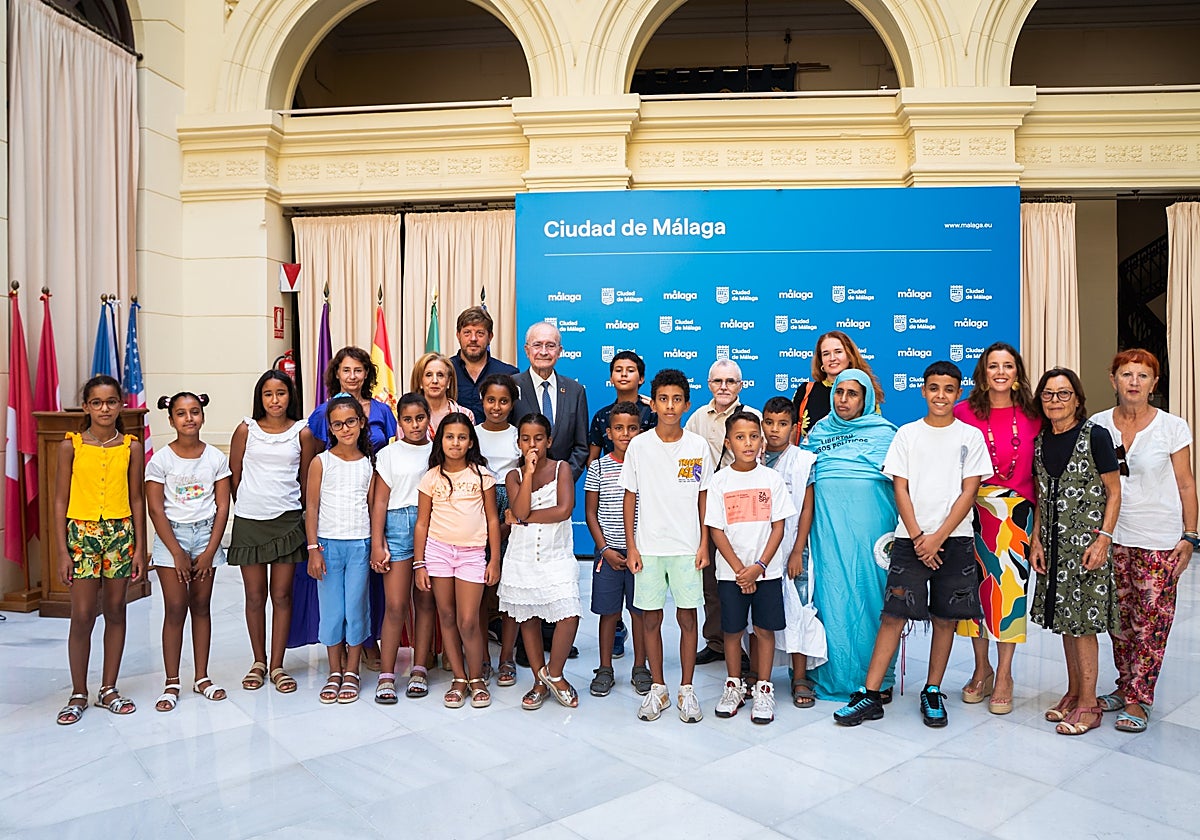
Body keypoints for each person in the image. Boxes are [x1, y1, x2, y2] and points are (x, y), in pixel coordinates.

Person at [834, 361, 991, 728]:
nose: (940, 395)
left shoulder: (970, 437)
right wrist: (920, 536)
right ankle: (870, 694)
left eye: (948, 389)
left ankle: (932, 689)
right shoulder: (907, 434)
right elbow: (899, 486)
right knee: (893, 615)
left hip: (955, 539)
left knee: (946, 619)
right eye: (933, 388)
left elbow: (970, 491)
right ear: (923, 391)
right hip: (910, 540)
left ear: (959, 393)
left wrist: (938, 537)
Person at [1091, 349, 1192, 733]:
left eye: (1143, 375)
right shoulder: (1098, 426)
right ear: (1113, 379)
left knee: (1152, 622)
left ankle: (1139, 698)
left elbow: (1186, 483)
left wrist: (1191, 534)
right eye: (1127, 374)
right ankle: (1123, 685)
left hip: (1159, 538)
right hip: (1113, 536)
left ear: (1154, 382)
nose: (1134, 381)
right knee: (1119, 621)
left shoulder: (1172, 427)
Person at [1031, 368, 1121, 736]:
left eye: (1063, 394)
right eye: (1049, 395)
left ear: (1078, 400)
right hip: (1053, 549)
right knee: (1066, 623)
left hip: (1087, 549)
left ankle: (1089, 704)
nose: (1055, 401)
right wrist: (1036, 540)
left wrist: (1104, 539)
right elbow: (1040, 497)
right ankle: (1073, 692)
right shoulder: (1040, 441)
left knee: (1083, 626)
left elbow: (1114, 492)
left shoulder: (1095, 436)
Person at [799, 370, 898, 703]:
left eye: (852, 394)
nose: (843, 399)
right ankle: (831, 675)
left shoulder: (885, 434)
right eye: (839, 392)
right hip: (827, 533)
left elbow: (902, 484)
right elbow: (801, 478)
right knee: (831, 600)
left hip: (872, 534)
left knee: (871, 599)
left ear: (866, 398)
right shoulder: (819, 432)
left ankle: (876, 679)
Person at [953, 343, 1041, 715]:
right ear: (983, 372)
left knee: (1008, 597)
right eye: (993, 366)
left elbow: (1044, 475)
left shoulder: (1036, 415)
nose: (1000, 372)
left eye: (1008, 365)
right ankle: (981, 668)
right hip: (969, 512)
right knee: (972, 595)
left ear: (1017, 373)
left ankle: (1004, 674)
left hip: (1016, 516)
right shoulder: (961, 412)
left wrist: (1038, 531)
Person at [621, 368, 713, 723]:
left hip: (688, 547)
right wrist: (631, 546)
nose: (670, 406)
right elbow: (630, 496)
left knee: (688, 617)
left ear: (687, 404)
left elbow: (704, 497)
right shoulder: (640, 446)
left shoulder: (697, 446)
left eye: (677, 400)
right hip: (648, 547)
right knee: (650, 618)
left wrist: (704, 542)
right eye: (663, 399)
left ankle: (686, 689)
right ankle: (658, 687)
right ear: (653, 403)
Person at [294, 346, 397, 660]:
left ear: (367, 373)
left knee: (368, 585)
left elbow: (393, 451)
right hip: (333, 514)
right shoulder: (323, 413)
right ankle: (344, 651)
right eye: (346, 370)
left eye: (358, 370)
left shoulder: (381, 410)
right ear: (336, 374)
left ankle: (368, 639)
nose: (352, 376)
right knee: (336, 594)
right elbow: (310, 454)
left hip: (372, 502)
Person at [54, 375, 146, 724]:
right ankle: (79, 691)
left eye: (111, 402)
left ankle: (109, 687)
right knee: (82, 615)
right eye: (97, 402)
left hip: (120, 532)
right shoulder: (71, 445)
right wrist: (63, 551)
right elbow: (60, 499)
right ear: (86, 406)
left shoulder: (131, 447)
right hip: (81, 532)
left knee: (116, 610)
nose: (104, 408)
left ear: (120, 405)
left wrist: (138, 546)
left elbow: (137, 498)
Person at [229, 370, 317, 694]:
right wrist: (252, 505)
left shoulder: (302, 432)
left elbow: (307, 481)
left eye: (281, 393)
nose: (275, 400)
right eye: (268, 394)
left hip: (288, 520)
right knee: (254, 596)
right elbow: (233, 475)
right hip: (250, 521)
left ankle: (278, 665)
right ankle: (258, 661)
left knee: (281, 595)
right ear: (260, 398)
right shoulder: (246, 429)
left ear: (290, 396)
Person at [706, 412, 795, 725]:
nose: (748, 443)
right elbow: (716, 530)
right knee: (732, 630)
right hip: (731, 573)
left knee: (764, 630)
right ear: (729, 442)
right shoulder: (719, 481)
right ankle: (733, 685)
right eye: (740, 437)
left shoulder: (771, 480)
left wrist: (758, 567)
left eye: (753, 436)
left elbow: (779, 528)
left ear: (761, 440)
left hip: (765, 573)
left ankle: (764, 687)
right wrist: (739, 569)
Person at [145, 392, 232, 711]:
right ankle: (171, 681)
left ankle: (201, 676)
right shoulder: (161, 460)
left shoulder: (214, 458)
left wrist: (210, 551)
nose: (189, 418)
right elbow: (155, 508)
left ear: (203, 416)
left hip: (205, 536)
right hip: (172, 539)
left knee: (201, 605)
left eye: (194, 412)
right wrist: (177, 553)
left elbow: (223, 506)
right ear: (171, 420)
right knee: (176, 607)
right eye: (181, 413)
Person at [414, 413, 501, 709]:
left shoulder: (481, 476)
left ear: (470, 442)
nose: (455, 442)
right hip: (438, 553)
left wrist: (495, 561)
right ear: (440, 440)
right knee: (447, 617)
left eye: (462, 437)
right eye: (449, 436)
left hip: (472, 554)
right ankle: (460, 679)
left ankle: (477, 678)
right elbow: (422, 523)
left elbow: (492, 519)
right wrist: (419, 563)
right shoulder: (431, 477)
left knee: (468, 620)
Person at [500, 413, 583, 709]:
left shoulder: (562, 469)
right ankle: (538, 680)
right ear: (518, 442)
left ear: (549, 440)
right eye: (525, 439)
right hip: (522, 556)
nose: (532, 444)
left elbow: (563, 510)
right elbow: (519, 508)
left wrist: (522, 518)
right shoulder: (514, 476)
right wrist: (530, 474)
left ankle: (555, 673)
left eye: (538, 438)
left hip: (556, 553)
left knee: (569, 612)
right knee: (528, 617)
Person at [686, 359, 760, 667]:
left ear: (740, 386)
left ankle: (746, 646)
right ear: (709, 384)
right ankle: (717, 641)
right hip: (708, 509)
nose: (724, 387)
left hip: (747, 511)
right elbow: (686, 459)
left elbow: (762, 463)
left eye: (731, 381)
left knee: (746, 575)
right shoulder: (698, 418)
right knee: (712, 581)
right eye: (718, 381)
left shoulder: (752, 417)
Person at [305, 394, 376, 705]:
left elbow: (373, 507)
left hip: (360, 544)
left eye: (351, 421)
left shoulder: (369, 464)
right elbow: (311, 507)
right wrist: (313, 549)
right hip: (328, 545)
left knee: (356, 608)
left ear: (361, 424)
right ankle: (334, 669)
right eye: (338, 424)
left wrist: (376, 546)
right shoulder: (321, 462)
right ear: (330, 428)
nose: (345, 428)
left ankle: (352, 670)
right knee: (333, 611)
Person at [369, 392, 434, 704]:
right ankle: (387, 673)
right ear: (399, 422)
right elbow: (379, 501)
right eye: (407, 419)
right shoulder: (389, 454)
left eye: (420, 418)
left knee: (424, 603)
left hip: (430, 528)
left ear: (428, 418)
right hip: (396, 527)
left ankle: (419, 668)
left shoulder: (437, 452)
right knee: (395, 605)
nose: (414, 425)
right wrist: (378, 542)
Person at [585, 401, 650, 697]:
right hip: (608, 554)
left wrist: (639, 548)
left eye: (632, 428)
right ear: (608, 432)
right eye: (619, 428)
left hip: (641, 554)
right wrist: (604, 549)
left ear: (641, 431)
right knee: (609, 614)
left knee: (640, 613)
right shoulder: (598, 466)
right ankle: (605, 668)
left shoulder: (647, 465)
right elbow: (590, 512)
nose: (626, 434)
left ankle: (640, 667)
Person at [759, 396, 818, 708]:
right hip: (758, 551)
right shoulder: (752, 457)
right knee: (758, 614)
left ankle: (799, 677)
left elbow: (806, 508)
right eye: (769, 422)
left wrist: (797, 550)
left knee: (798, 611)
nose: (774, 430)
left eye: (782, 424)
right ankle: (759, 674)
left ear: (794, 428)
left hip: (794, 549)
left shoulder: (802, 460)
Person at [475, 374, 521, 688]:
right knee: (480, 587)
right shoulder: (473, 434)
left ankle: (507, 657)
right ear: (482, 401)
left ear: (512, 403)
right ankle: (482, 658)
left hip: (512, 504)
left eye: (503, 401)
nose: (496, 406)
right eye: (491, 400)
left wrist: (510, 518)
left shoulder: (519, 434)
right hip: (478, 504)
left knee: (509, 587)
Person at [513, 322, 589, 481]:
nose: (543, 352)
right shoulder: (512, 387)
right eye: (537, 345)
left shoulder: (575, 391)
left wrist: (562, 480)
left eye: (550, 346)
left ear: (560, 351)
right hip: (520, 486)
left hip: (562, 492)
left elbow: (581, 447)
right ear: (527, 350)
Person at [791, 330, 884, 442]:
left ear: (849, 356)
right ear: (821, 361)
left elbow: (874, 435)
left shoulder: (865, 390)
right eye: (826, 354)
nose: (832, 358)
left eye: (838, 352)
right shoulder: (806, 391)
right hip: (811, 458)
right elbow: (790, 436)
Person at [587, 350, 656, 466]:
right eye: (618, 370)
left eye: (630, 370)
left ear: (641, 379)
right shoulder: (602, 416)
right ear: (611, 378)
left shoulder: (653, 413)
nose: (624, 374)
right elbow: (592, 458)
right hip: (611, 480)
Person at [450, 306, 519, 423]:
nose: (473, 339)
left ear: (490, 337)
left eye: (480, 333)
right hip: (455, 440)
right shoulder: (446, 371)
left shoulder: (509, 374)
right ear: (458, 335)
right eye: (467, 333)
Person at [412, 351, 475, 434]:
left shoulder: (466, 414)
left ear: (448, 381)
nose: (435, 381)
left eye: (440, 375)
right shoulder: (409, 417)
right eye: (429, 375)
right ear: (420, 381)